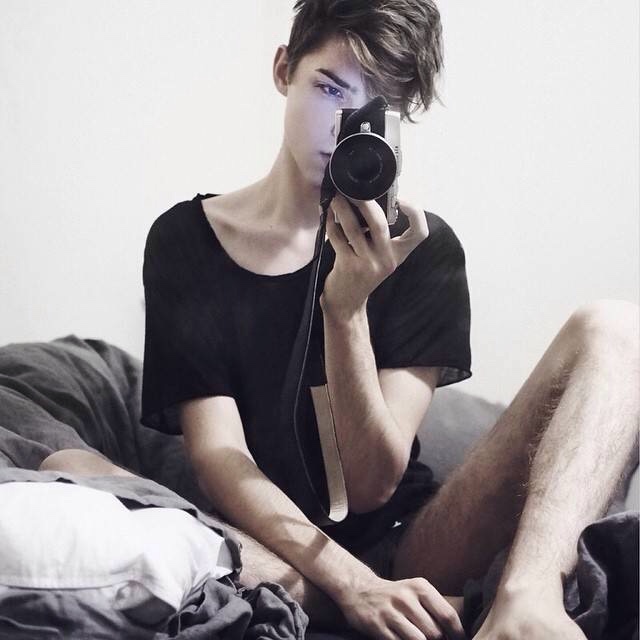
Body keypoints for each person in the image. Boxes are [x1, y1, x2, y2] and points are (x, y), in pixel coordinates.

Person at [90, 1, 640, 639]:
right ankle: (422, 607)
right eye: (329, 89)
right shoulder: (186, 240)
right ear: (283, 70)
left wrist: (346, 309)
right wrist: (354, 586)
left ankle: (529, 598)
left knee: (616, 328)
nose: (342, 129)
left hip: (415, 548)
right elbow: (218, 455)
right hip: (271, 551)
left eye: (375, 108)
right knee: (73, 470)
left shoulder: (422, 249)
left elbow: (371, 484)